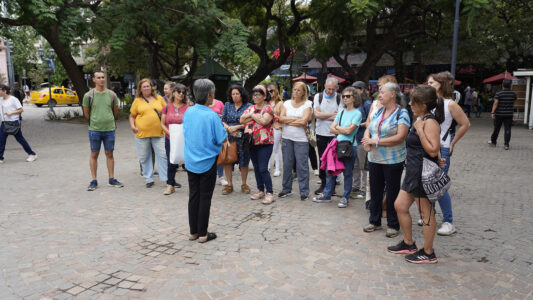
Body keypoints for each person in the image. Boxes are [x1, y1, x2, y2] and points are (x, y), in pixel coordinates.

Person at [387, 85, 444, 264]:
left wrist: (419, 130)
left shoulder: (429, 122)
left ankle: (428, 253)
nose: (410, 104)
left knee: (425, 213)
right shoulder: (421, 119)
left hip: (421, 173)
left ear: (424, 105)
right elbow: (434, 150)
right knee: (400, 206)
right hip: (413, 171)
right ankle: (408, 243)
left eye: (414, 102)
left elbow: (433, 150)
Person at [362, 82, 410, 238]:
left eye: (382, 92)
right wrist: (366, 141)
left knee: (392, 193)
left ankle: (393, 224)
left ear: (393, 94)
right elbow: (369, 128)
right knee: (375, 191)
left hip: (393, 160)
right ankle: (374, 221)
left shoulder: (401, 113)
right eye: (379, 92)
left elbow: (400, 136)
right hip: (374, 158)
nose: (379, 95)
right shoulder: (378, 111)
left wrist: (375, 142)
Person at [424, 72, 470, 235]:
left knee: (439, 186)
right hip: (427, 147)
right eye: (428, 83)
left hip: (442, 147)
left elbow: (465, 124)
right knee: (427, 183)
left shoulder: (450, 104)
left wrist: (452, 142)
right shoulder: (428, 102)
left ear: (441, 84)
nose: (428, 85)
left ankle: (448, 221)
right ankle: (431, 214)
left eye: (432, 83)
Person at [183, 78, 227, 243]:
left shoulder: (188, 112)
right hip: (208, 161)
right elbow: (221, 139)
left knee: (193, 196)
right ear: (209, 95)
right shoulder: (212, 116)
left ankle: (193, 232)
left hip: (191, 160)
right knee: (205, 197)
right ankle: (203, 233)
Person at [313, 87, 362, 208]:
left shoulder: (357, 113)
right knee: (330, 171)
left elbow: (349, 130)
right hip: (337, 145)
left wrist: (339, 129)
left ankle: (345, 197)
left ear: (354, 98)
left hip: (349, 146)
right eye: (344, 96)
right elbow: (331, 128)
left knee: (348, 173)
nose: (345, 98)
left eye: (348, 96)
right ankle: (327, 194)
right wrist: (342, 129)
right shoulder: (341, 112)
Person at [82, 71, 123, 191]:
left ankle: (111, 178)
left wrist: (109, 120)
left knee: (109, 154)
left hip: (109, 129)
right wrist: (95, 121)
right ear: (93, 80)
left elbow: (115, 111)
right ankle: (94, 180)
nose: (101, 79)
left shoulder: (111, 94)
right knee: (94, 154)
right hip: (95, 129)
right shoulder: (88, 95)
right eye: (98, 77)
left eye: (103, 77)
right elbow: (86, 113)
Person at [129, 78, 168, 188]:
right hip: (142, 134)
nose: (146, 88)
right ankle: (149, 178)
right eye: (144, 86)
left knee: (163, 155)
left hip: (159, 133)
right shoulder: (137, 101)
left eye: (148, 86)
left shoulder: (159, 98)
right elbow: (132, 116)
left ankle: (165, 178)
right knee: (145, 157)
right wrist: (132, 126)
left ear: (152, 87)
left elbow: (166, 112)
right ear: (140, 89)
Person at [240, 85, 275, 204]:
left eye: (258, 94)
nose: (255, 97)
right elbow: (241, 120)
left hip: (265, 142)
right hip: (251, 142)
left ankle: (270, 193)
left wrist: (251, 116)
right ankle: (260, 190)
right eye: (254, 94)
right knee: (256, 168)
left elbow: (264, 121)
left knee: (263, 168)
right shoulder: (251, 108)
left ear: (264, 96)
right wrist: (254, 116)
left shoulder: (268, 108)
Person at [278, 81, 312, 201]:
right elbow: (281, 118)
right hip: (287, 138)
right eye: (294, 89)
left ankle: (304, 191)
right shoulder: (286, 103)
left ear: (304, 92)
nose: (296, 92)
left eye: (299, 90)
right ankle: (286, 189)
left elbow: (304, 122)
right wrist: (295, 119)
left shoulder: (307, 104)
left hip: (301, 139)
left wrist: (289, 120)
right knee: (287, 164)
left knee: (302, 166)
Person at [313, 77, 342, 195]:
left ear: (337, 88)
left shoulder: (340, 98)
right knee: (322, 158)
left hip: (334, 133)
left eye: (333, 89)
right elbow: (316, 115)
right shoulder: (318, 97)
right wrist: (332, 115)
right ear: (324, 86)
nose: (330, 91)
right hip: (320, 132)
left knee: (333, 160)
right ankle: (323, 184)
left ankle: (332, 186)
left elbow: (339, 116)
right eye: (328, 88)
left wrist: (323, 115)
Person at [221, 85, 252, 195]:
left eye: (237, 94)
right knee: (228, 161)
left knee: (244, 161)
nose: (234, 96)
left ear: (242, 94)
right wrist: (229, 128)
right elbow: (223, 120)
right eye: (233, 94)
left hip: (243, 137)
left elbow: (250, 122)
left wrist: (238, 127)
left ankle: (244, 184)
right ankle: (229, 184)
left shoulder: (248, 106)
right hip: (229, 137)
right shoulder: (227, 105)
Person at [161, 84, 188, 195]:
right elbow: (162, 124)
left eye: (183, 92)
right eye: (179, 91)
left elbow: (190, 123)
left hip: (184, 139)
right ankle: (170, 184)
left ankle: (194, 185)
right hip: (170, 138)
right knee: (171, 161)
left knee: (187, 162)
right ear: (173, 92)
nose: (181, 94)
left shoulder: (187, 108)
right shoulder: (167, 107)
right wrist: (170, 134)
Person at [0, 84, 37, 164]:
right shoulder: (1, 99)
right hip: (4, 123)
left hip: (13, 123)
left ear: (4, 91)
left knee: (20, 139)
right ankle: (0, 158)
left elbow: (21, 110)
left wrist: (11, 112)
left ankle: (32, 154)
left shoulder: (13, 99)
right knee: (1, 140)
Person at [351, 81, 372, 199]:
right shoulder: (355, 103)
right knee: (355, 164)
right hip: (353, 138)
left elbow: (371, 121)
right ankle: (356, 186)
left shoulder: (367, 103)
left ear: (362, 90)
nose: (353, 91)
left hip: (363, 138)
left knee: (364, 165)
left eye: (356, 89)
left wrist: (357, 124)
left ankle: (364, 189)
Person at [489, 79, 516, 150]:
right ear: (510, 85)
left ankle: (493, 142)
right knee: (508, 129)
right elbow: (514, 101)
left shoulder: (499, 93)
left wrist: (492, 112)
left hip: (499, 114)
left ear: (502, 85)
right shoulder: (513, 93)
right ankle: (506, 144)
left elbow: (495, 103)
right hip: (509, 114)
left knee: (497, 128)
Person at [208, 96, 228, 187]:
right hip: (207, 132)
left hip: (218, 130)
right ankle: (209, 176)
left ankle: (221, 177)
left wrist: (220, 117)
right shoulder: (203, 104)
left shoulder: (219, 103)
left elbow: (224, 117)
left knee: (220, 154)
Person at [267, 83, 283, 177]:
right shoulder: (267, 102)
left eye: (271, 91)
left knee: (275, 149)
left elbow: (283, 117)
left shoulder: (280, 103)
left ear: (275, 91)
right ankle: (268, 166)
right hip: (267, 127)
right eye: (268, 91)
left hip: (276, 127)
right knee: (267, 148)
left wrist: (275, 116)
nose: (270, 93)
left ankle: (277, 168)